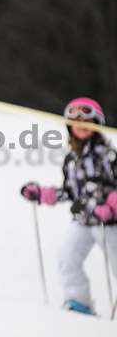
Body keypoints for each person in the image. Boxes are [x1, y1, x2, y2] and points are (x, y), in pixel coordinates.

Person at [21, 97, 117, 315]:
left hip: (108, 223)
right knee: (67, 256)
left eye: (86, 120)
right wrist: (42, 194)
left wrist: (111, 208)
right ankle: (78, 302)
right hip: (83, 220)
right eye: (76, 120)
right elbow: (69, 191)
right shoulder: (71, 159)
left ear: (97, 124)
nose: (81, 124)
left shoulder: (107, 155)